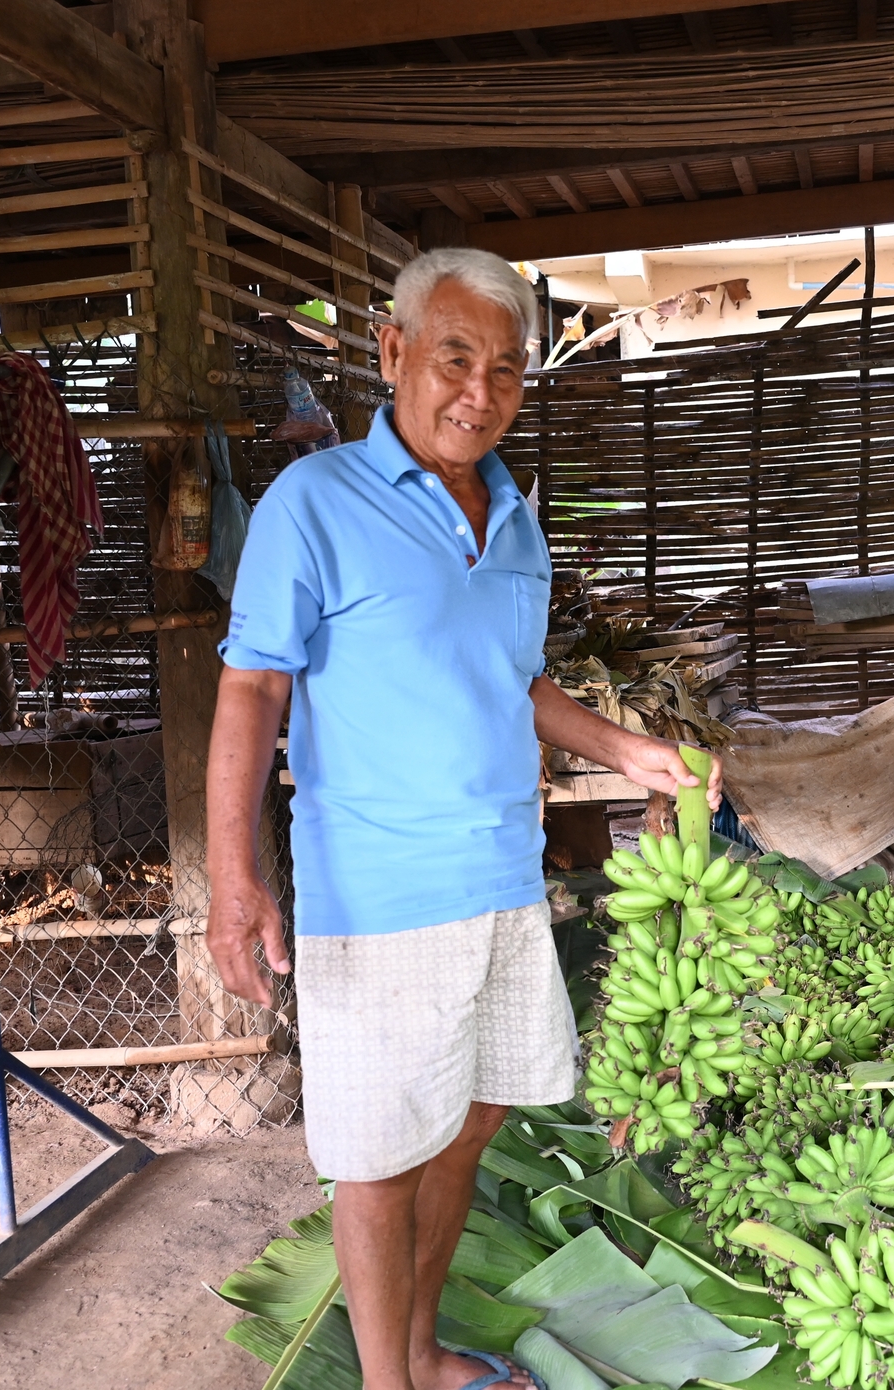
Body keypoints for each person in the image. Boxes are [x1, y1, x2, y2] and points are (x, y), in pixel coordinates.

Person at [206, 247, 721, 1390]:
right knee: (380, 1162)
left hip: (502, 879)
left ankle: (418, 1350)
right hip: (380, 894)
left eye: (504, 368)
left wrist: (627, 748)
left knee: (469, 1125)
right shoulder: (315, 502)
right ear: (393, 352)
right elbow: (252, 685)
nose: (478, 392)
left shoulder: (515, 519)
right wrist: (235, 880)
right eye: (453, 359)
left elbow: (515, 682)